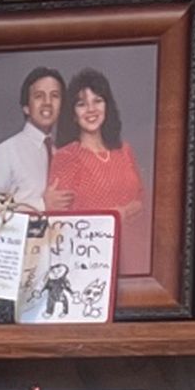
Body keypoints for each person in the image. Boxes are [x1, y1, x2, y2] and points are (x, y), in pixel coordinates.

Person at [45, 69, 145, 272]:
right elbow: (60, 223)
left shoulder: (124, 150)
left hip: (136, 257)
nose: (91, 109)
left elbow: (143, 200)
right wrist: (115, 216)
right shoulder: (66, 157)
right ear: (73, 114)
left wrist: (135, 209)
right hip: (91, 263)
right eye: (82, 104)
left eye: (97, 101)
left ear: (107, 106)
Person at [0, 65, 64, 210]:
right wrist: (42, 205)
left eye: (54, 96)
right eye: (39, 96)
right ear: (26, 107)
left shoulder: (61, 154)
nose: (47, 103)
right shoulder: (5, 153)